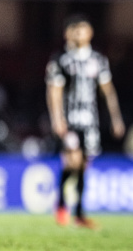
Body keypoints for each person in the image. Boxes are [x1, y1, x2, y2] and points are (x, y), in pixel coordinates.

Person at [46, 14, 125, 229]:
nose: (78, 33)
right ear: (68, 33)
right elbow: (54, 91)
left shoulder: (98, 60)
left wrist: (116, 118)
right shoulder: (61, 59)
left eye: (82, 29)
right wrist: (57, 118)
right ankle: (64, 205)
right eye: (75, 29)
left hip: (90, 121)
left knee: (82, 166)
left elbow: (107, 91)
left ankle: (77, 211)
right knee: (73, 161)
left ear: (90, 33)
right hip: (70, 120)